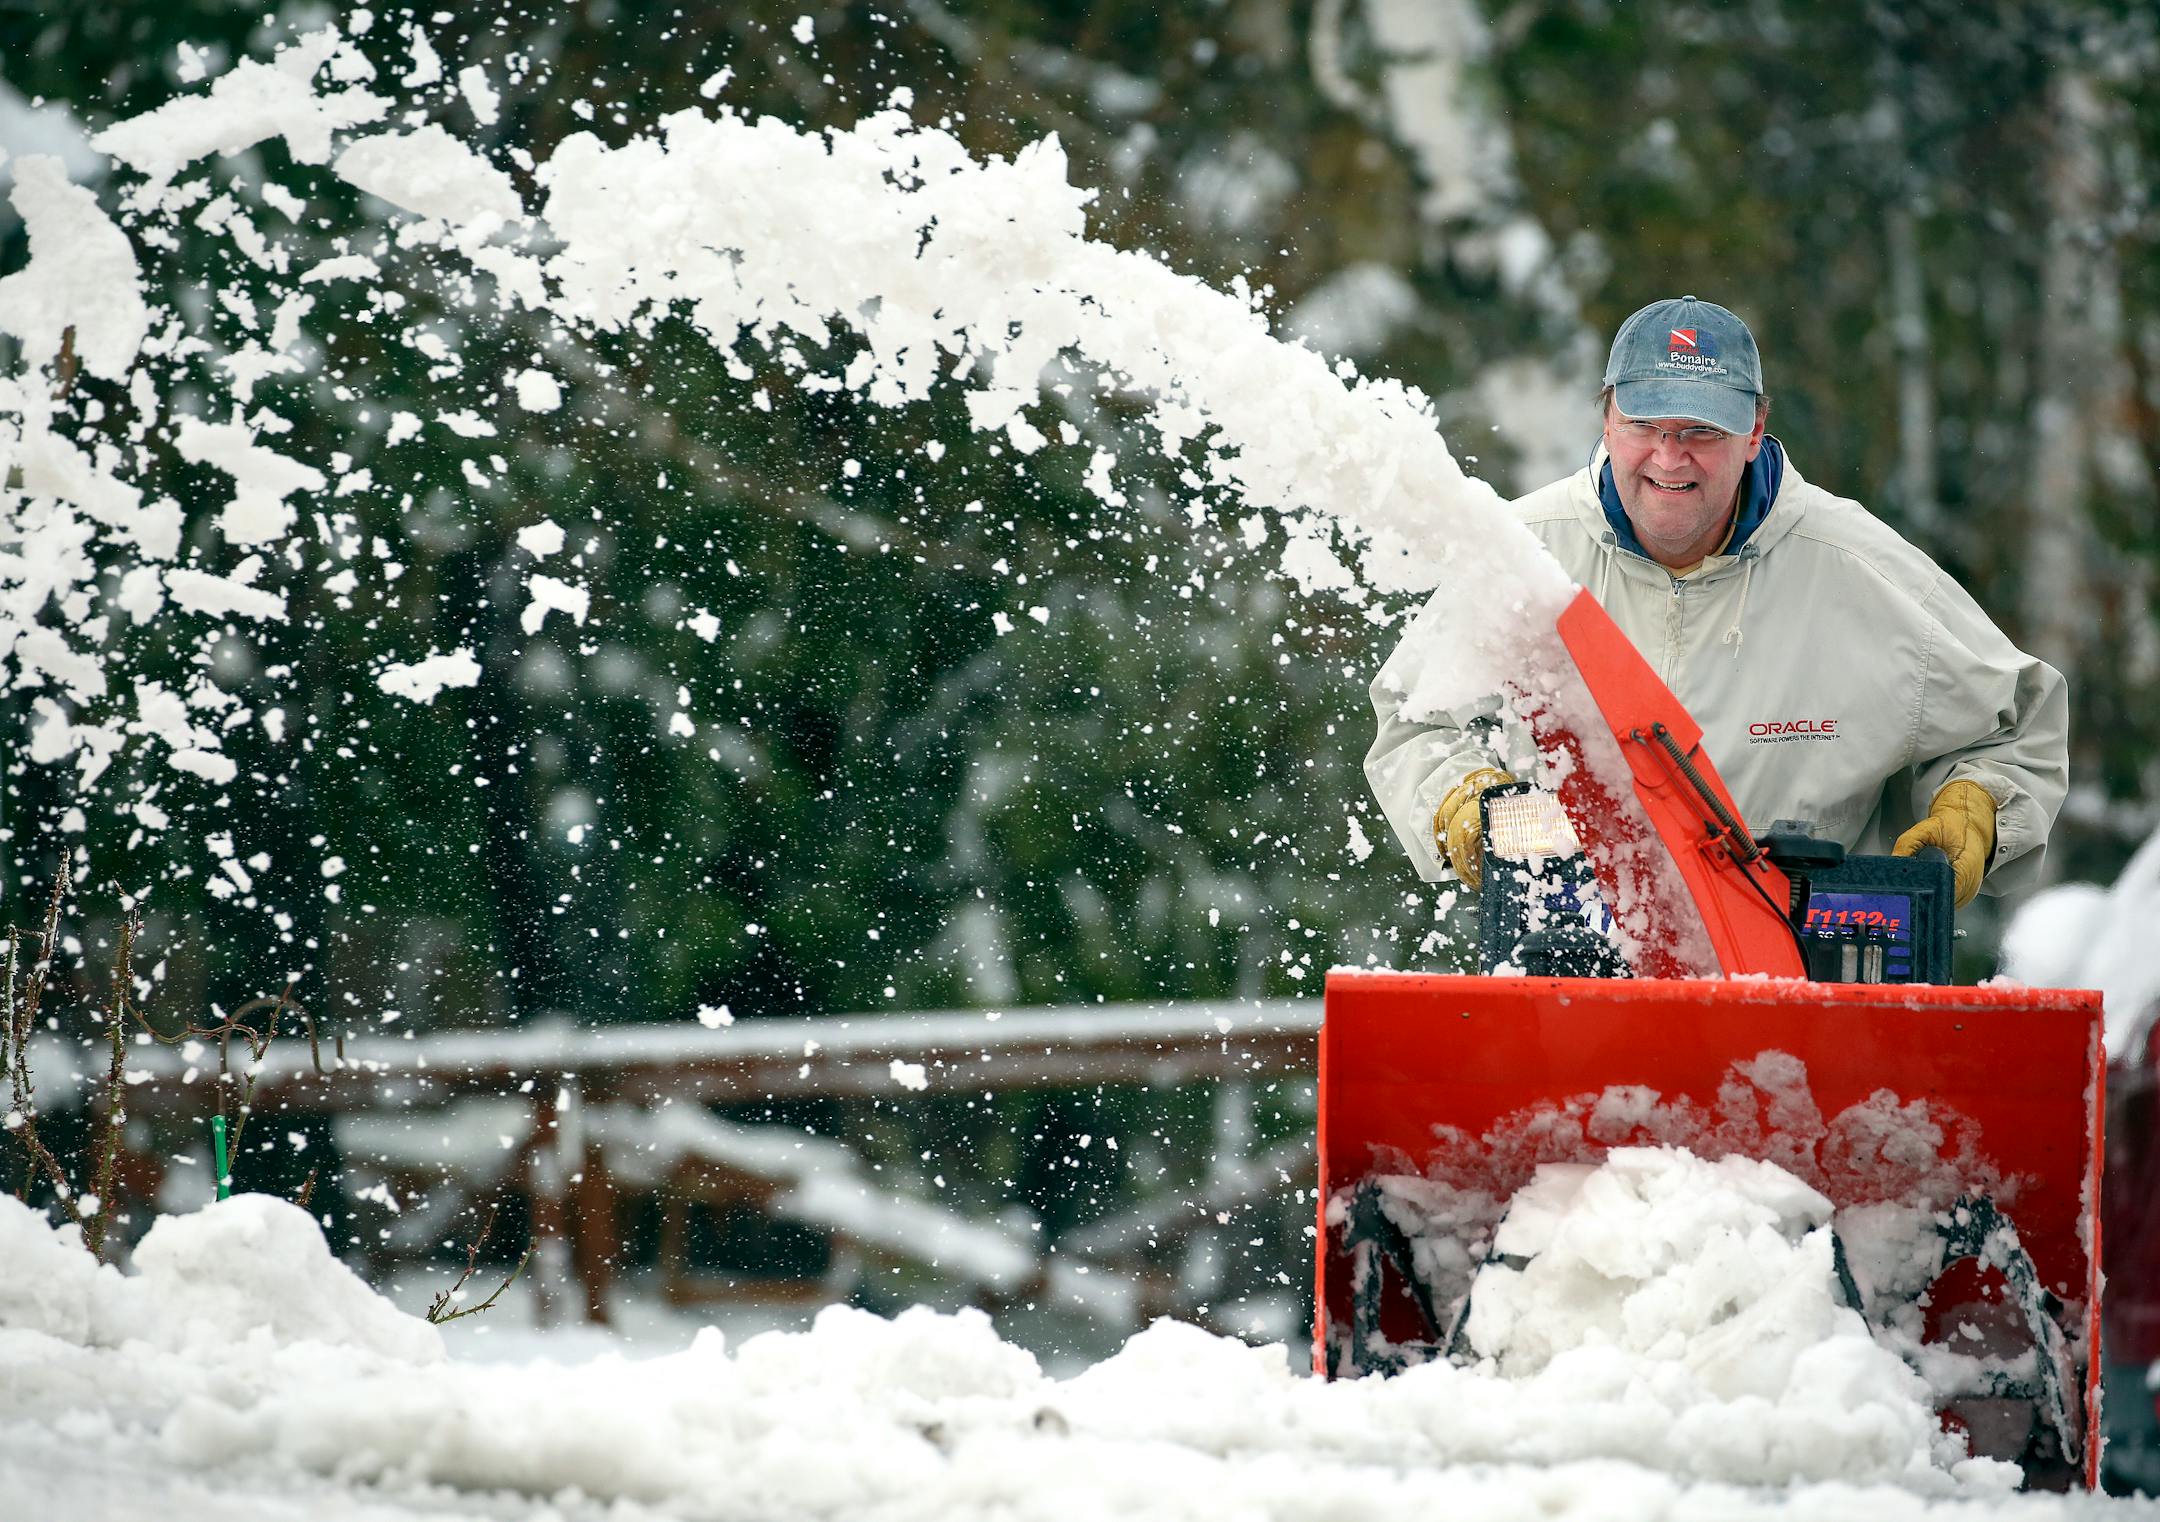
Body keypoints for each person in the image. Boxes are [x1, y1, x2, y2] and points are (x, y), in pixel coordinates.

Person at [1366, 295, 2067, 912]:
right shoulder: (1520, 557)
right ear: (1608, 417)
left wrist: (1978, 808)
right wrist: (1462, 801)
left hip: (1800, 984)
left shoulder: (1860, 571)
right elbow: (1415, 718)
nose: (1670, 459)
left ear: (1755, 431)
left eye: (1702, 432)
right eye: (1647, 424)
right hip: (1567, 972)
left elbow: (2017, 723)